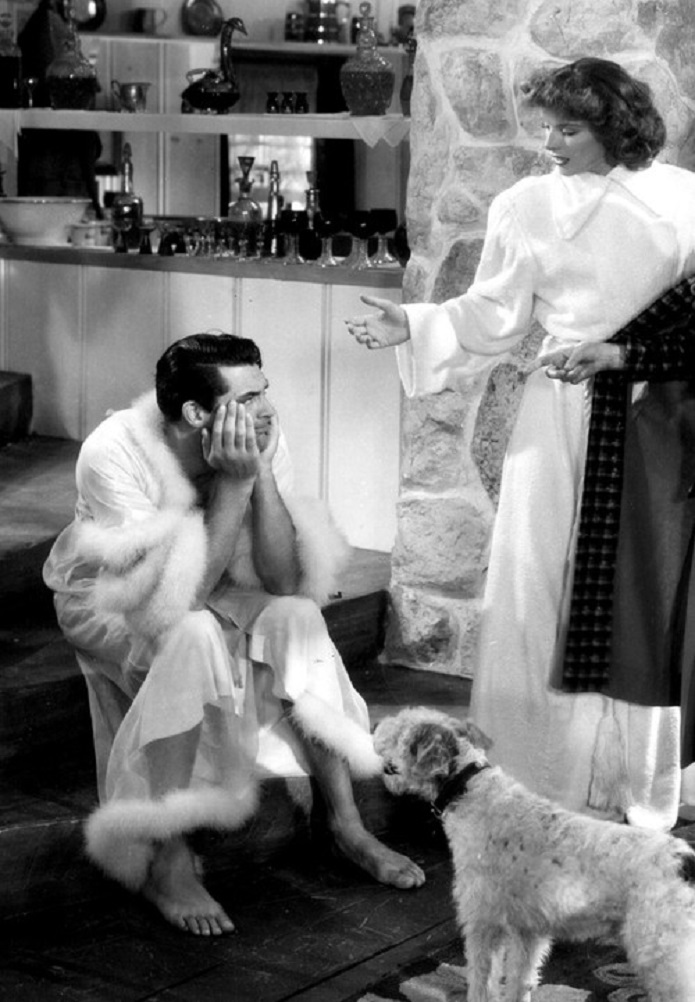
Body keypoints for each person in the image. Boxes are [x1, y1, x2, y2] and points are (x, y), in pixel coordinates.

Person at [346, 57, 695, 832]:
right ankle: (543, 775)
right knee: (534, 581)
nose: (548, 143)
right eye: (544, 128)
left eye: (566, 129)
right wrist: (415, 322)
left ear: (615, 127)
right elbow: (493, 312)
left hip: (654, 415)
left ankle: (638, 780)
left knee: (644, 591)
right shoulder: (524, 206)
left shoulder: (684, 198)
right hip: (559, 411)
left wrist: (628, 356)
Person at [43, 332, 425, 937]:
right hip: (113, 596)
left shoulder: (257, 434)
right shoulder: (113, 451)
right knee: (193, 633)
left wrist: (259, 475)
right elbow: (177, 603)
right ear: (197, 413)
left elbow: (284, 580)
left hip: (218, 579)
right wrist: (234, 486)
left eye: (264, 390)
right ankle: (166, 856)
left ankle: (344, 823)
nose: (267, 408)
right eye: (248, 398)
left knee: (296, 618)